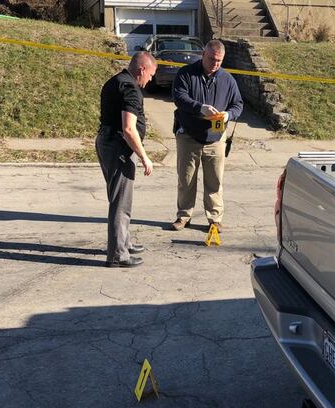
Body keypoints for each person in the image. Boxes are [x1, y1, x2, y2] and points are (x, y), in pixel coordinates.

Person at [170, 40, 244, 232]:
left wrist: (229, 114)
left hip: (216, 139)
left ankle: (215, 218)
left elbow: (238, 104)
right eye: (212, 59)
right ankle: (184, 215)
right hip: (188, 136)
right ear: (203, 54)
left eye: (219, 61)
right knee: (186, 179)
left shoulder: (228, 80)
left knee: (215, 181)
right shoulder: (186, 74)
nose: (215, 64)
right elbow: (179, 97)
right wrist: (200, 108)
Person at [95, 52, 157, 268]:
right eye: (150, 74)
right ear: (141, 69)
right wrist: (144, 157)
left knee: (120, 198)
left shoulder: (115, 81)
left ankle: (124, 242)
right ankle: (117, 255)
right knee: (120, 201)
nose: (150, 80)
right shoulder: (131, 89)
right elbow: (129, 129)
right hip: (119, 147)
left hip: (106, 141)